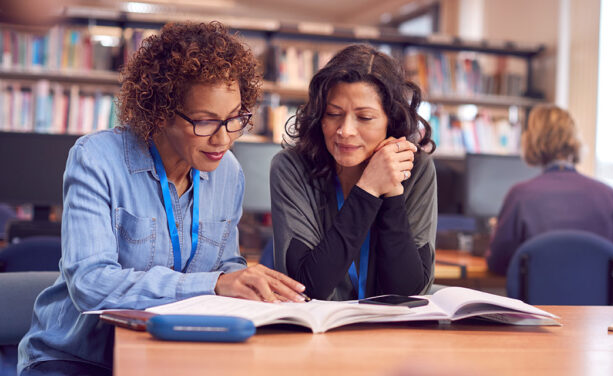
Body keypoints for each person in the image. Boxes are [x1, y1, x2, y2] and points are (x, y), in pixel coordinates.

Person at [18, 22, 306, 376]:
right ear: (160, 112)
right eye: (205, 122)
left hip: (174, 351)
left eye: (235, 120)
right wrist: (213, 284)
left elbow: (225, 264)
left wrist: (247, 283)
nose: (224, 139)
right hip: (77, 358)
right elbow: (90, 284)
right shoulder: (96, 158)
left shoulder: (228, 171)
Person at [270, 44, 437, 301]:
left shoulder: (417, 170)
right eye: (334, 114)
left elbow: (407, 293)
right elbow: (306, 288)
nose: (345, 130)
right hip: (314, 332)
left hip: (390, 335)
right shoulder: (291, 167)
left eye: (365, 117)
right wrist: (369, 189)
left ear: (391, 122)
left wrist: (392, 191)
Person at [487, 105, 613, 275]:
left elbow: (497, 262)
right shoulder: (609, 196)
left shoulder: (520, 195)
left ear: (531, 141)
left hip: (535, 301)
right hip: (598, 302)